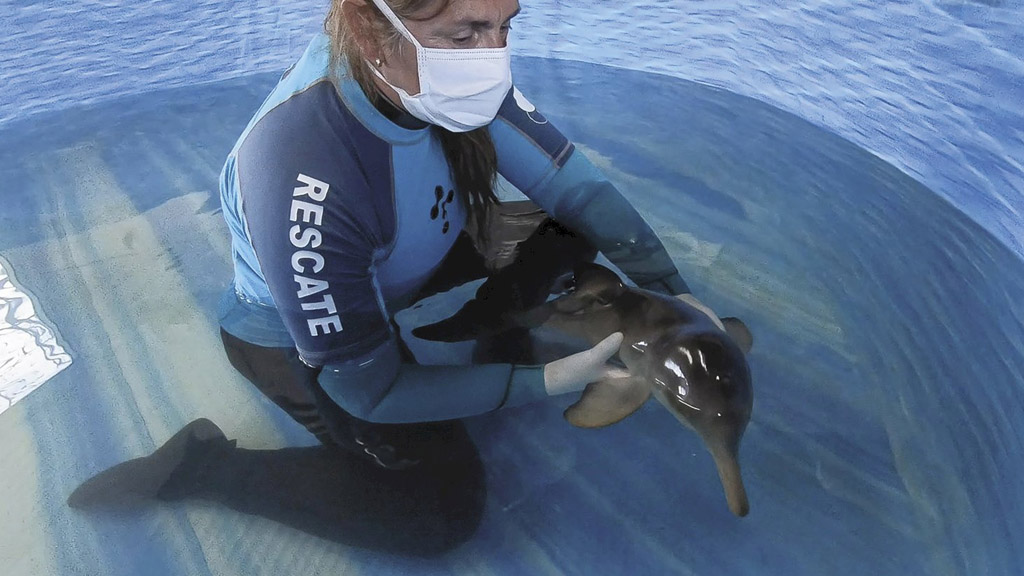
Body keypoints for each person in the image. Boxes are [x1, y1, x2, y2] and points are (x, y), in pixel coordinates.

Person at [215, 0, 722, 469]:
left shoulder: (424, 72)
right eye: (464, 38)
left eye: (505, 27)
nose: (493, 60)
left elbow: (580, 195)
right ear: (371, 35)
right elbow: (370, 393)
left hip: (407, 256)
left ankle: (496, 320)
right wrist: (549, 380)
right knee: (443, 511)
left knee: (569, 231)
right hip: (292, 337)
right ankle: (206, 469)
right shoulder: (305, 177)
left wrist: (671, 292)